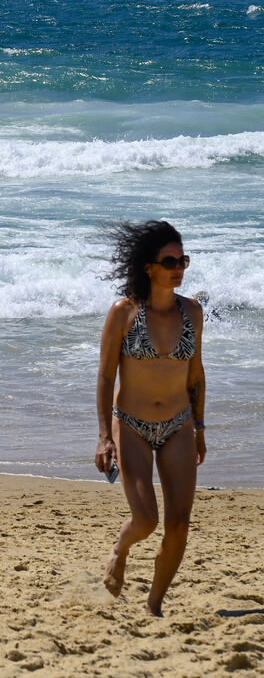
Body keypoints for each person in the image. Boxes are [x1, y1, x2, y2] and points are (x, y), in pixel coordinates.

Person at [95, 220, 207, 617]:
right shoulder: (124, 312)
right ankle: (120, 549)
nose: (178, 268)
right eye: (170, 261)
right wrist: (104, 437)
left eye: (183, 260)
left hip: (178, 425)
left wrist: (200, 428)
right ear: (148, 267)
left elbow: (196, 374)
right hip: (131, 425)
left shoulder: (192, 312)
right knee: (145, 520)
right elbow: (106, 376)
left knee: (179, 525)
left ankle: (154, 606)